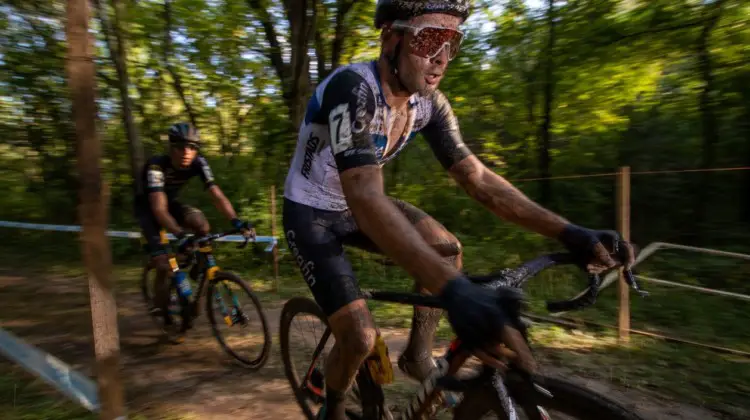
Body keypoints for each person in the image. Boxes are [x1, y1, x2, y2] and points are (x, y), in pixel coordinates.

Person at [281, 1, 636, 418]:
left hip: (359, 203)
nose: (442, 59)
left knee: (447, 249)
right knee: (359, 337)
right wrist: (456, 292)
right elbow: (364, 194)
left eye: (453, 43)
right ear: (390, 38)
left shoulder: (429, 104)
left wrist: (570, 232)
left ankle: (417, 355)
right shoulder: (352, 89)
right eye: (431, 39)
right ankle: (334, 407)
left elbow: (481, 182)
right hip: (313, 212)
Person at [134, 122, 255, 332]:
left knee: (202, 224)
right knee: (163, 264)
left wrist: (236, 220)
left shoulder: (199, 162)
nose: (186, 152)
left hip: (170, 203)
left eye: (192, 147)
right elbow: (158, 209)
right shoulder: (156, 166)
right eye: (180, 147)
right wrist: (180, 234)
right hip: (149, 208)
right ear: (171, 147)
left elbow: (216, 195)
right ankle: (159, 304)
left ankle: (196, 263)